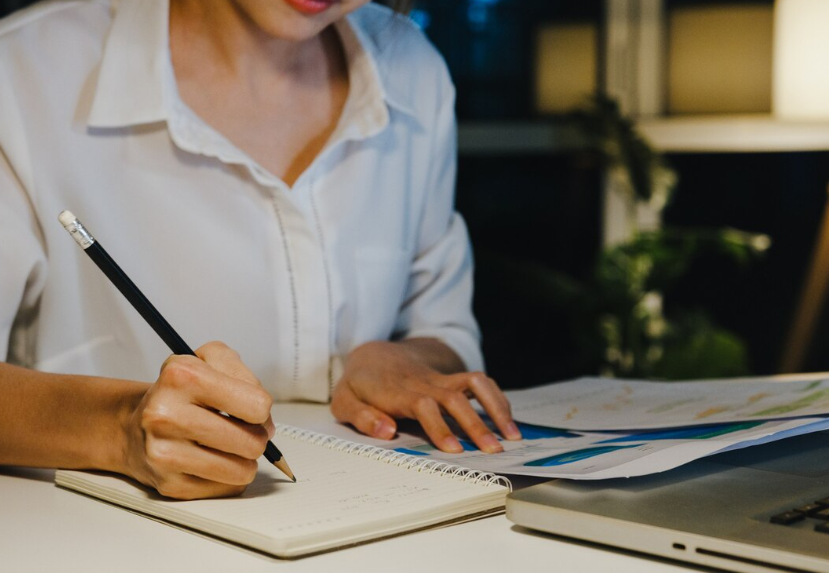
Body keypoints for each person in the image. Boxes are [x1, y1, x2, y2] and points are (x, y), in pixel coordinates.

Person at [0, 0, 520, 500]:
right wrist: (119, 428)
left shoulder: (412, 68)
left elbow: (443, 327)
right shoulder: (25, 73)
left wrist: (401, 359)